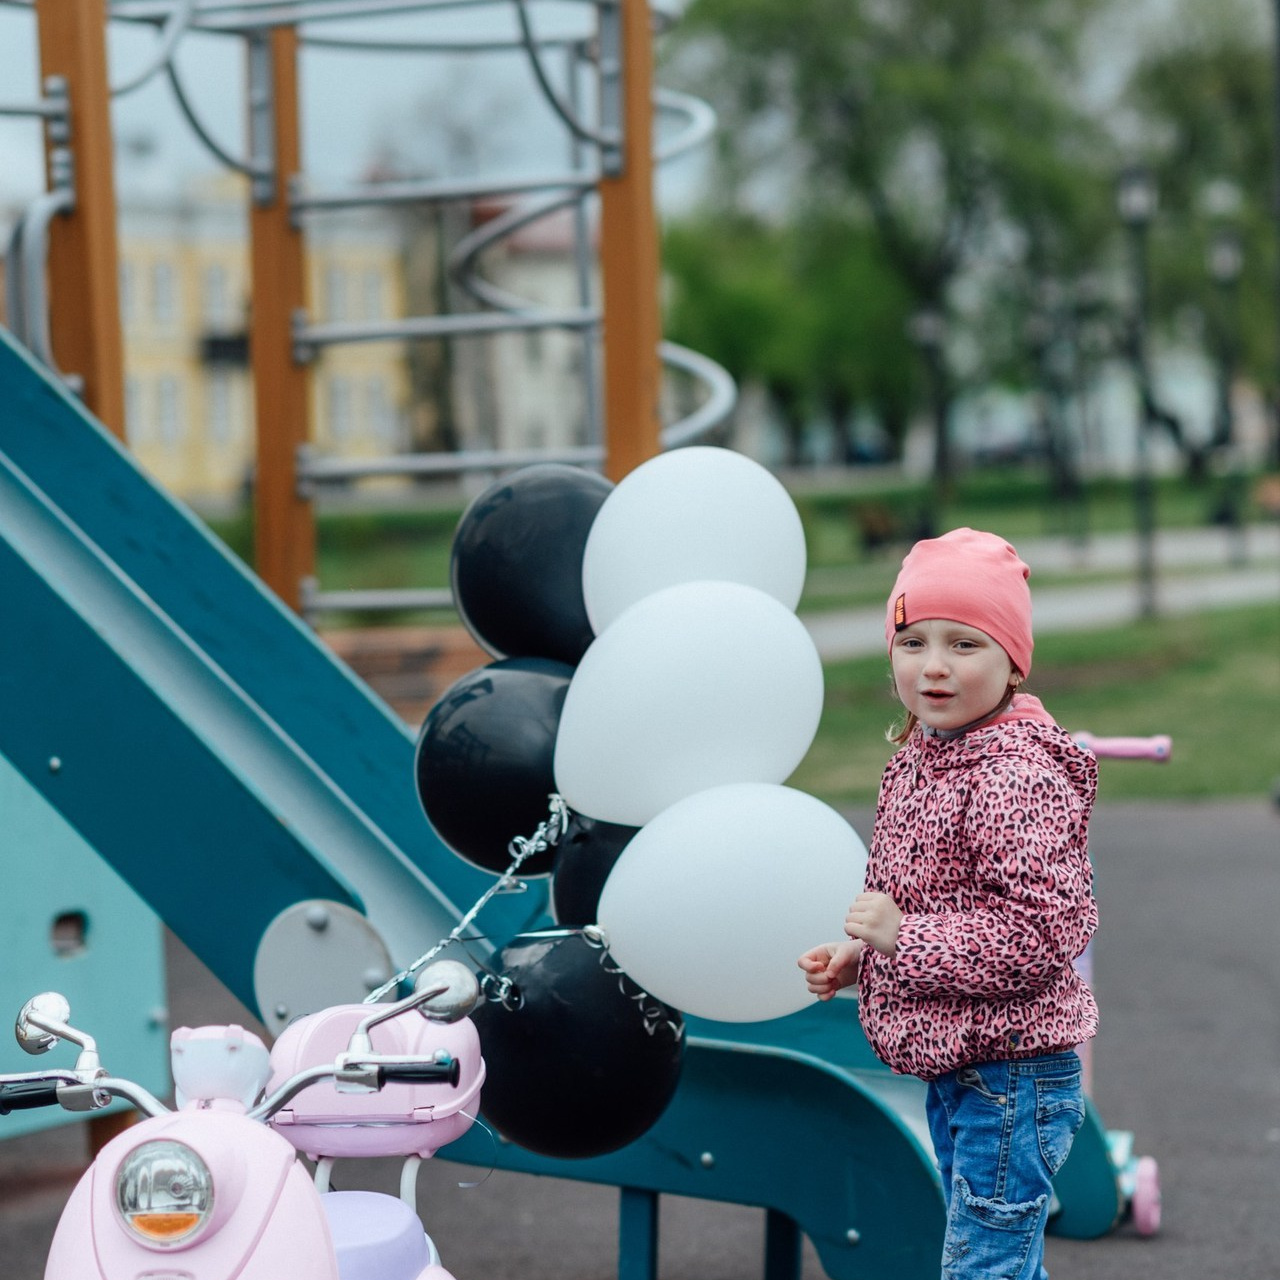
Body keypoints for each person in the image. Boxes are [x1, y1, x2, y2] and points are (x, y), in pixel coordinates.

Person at [798, 527, 1099, 1280]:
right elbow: (934, 897)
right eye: (913, 642)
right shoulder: (926, 756)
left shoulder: (1012, 777)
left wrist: (905, 939)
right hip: (965, 1066)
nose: (933, 665)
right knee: (999, 1261)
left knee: (984, 1264)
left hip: (1012, 1073)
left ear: (1013, 662)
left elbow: (1036, 935)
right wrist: (866, 956)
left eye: (965, 644)